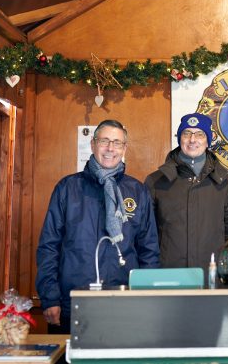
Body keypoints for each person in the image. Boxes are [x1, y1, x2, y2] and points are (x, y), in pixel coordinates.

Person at [36, 119, 160, 333]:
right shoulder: (67, 188)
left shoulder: (138, 191)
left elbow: (149, 250)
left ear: (124, 148)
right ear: (93, 145)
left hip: (125, 302)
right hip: (72, 303)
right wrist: (50, 298)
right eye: (104, 141)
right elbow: (49, 246)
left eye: (117, 143)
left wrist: (146, 296)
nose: (110, 148)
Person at [145, 113, 228, 271]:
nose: (192, 140)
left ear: (208, 140)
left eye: (200, 134)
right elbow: (147, 235)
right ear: (179, 138)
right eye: (186, 133)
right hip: (169, 276)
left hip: (211, 276)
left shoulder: (225, 182)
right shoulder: (156, 181)